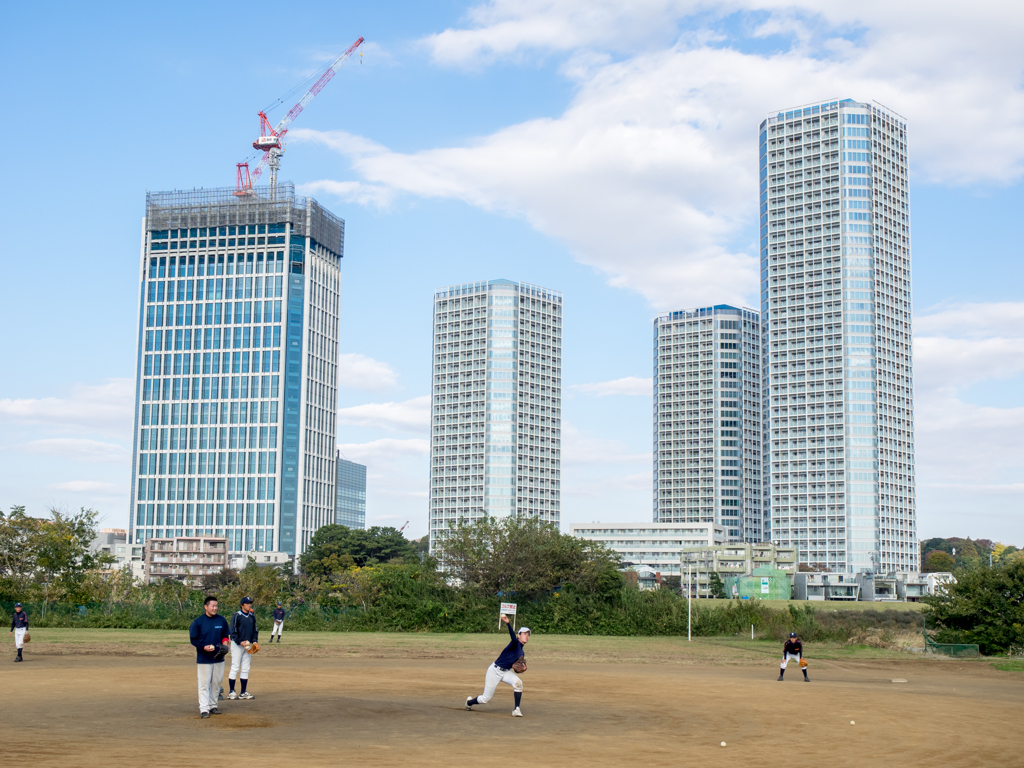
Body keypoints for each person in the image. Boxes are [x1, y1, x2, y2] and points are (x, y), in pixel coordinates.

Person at [465, 614, 530, 717]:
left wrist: (521, 669)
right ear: (519, 635)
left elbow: (515, 668)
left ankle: (516, 709)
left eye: (528, 634)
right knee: (485, 698)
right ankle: (469, 702)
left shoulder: (522, 653)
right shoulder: (514, 643)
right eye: (524, 633)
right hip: (494, 671)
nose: (527, 636)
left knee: (518, 683)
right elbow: (513, 638)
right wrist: (508, 623)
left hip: (505, 672)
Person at [189, 596, 230, 718]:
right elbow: (194, 640)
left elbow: (225, 636)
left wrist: (225, 645)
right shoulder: (198, 622)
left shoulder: (221, 620)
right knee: (204, 684)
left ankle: (213, 705)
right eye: (212, 606)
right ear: (205, 607)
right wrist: (203, 647)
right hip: (204, 659)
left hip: (218, 658)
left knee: (217, 683)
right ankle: (204, 709)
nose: (215, 608)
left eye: (216, 606)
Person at [227, 596, 258, 700]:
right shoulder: (237, 616)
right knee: (235, 667)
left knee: (245, 668)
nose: (249, 605)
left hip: (248, 645)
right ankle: (231, 692)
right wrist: (240, 642)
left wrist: (254, 641)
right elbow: (233, 632)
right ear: (242, 605)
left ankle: (243, 692)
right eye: (247, 603)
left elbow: (255, 630)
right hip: (237, 645)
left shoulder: (252, 616)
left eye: (250, 603)